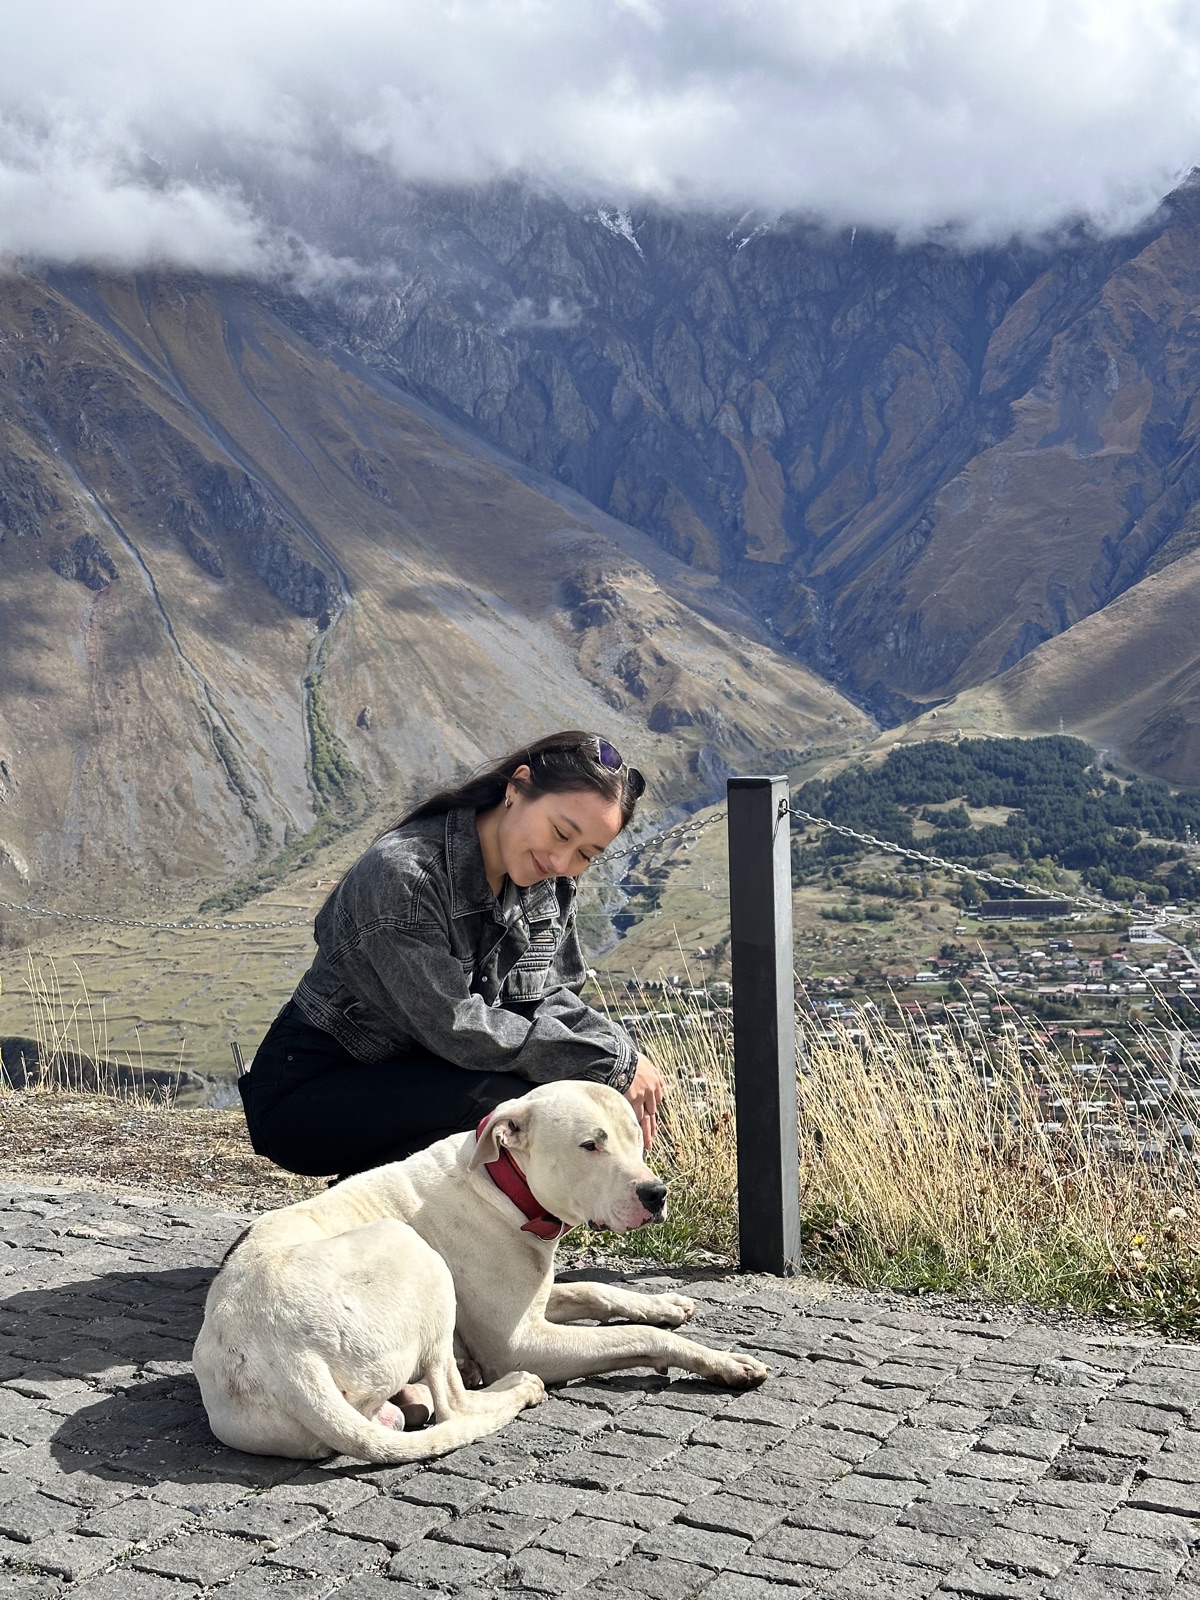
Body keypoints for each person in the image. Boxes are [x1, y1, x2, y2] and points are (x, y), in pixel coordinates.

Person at [238, 730, 664, 1179]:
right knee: (505, 1110)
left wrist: (622, 1057)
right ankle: (376, 1220)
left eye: (585, 854)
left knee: (556, 1097)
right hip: (309, 1095)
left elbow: (550, 996)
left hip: (423, 1080)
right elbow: (455, 1026)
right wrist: (605, 1061)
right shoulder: (406, 876)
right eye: (560, 832)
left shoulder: (548, 884)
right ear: (516, 788)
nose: (561, 862)